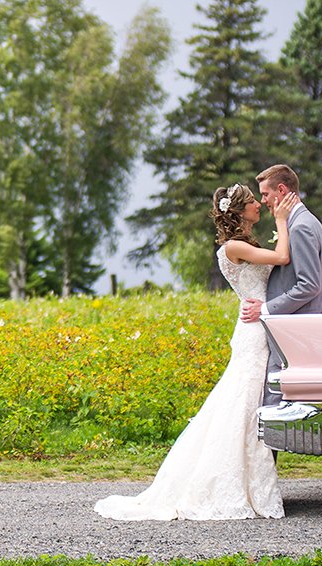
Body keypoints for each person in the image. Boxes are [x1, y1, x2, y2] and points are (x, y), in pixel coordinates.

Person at [94, 183, 296, 521]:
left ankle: (251, 478)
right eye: (252, 204)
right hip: (253, 331)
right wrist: (283, 220)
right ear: (239, 212)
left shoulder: (243, 244)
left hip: (258, 321)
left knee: (247, 402)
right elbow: (282, 257)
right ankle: (227, 483)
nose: (259, 206)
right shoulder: (233, 247)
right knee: (243, 403)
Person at [240, 164, 322, 406]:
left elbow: (309, 285)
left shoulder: (301, 227)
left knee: (280, 397)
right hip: (296, 325)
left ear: (281, 190)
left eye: (265, 194)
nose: (263, 201)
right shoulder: (300, 222)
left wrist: (265, 308)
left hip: (299, 328)